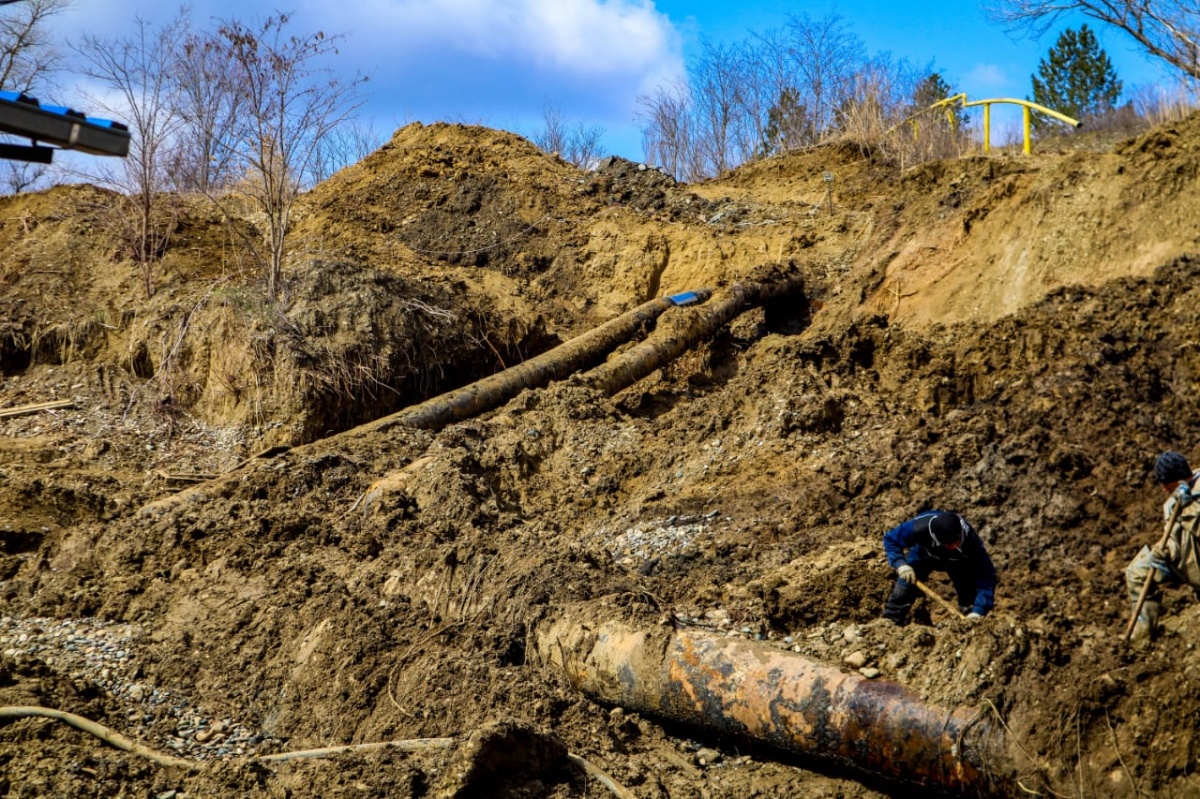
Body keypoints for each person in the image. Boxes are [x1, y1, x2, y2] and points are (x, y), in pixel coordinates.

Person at [1126, 451, 1200, 643]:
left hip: (1196, 561)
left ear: (1177, 477)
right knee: (1136, 573)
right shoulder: (1174, 500)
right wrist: (1162, 549)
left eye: (1166, 482)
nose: (1164, 488)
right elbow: (1174, 534)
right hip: (1181, 560)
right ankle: (1140, 640)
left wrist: (1189, 509)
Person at [882, 510, 997, 625]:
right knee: (904, 588)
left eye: (957, 541)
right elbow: (891, 539)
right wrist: (900, 564)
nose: (954, 546)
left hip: (959, 563)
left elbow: (986, 577)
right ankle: (890, 622)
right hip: (923, 556)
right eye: (949, 544)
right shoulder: (920, 528)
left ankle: (967, 622)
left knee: (968, 595)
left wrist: (978, 611)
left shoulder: (971, 541)